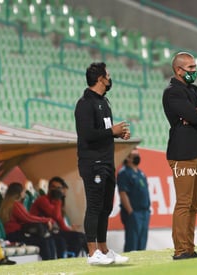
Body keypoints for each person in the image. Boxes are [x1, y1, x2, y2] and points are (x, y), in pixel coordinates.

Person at [162, 52, 197, 260]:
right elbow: (195, 115)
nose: (195, 72)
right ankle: (180, 250)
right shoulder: (172, 93)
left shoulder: (193, 90)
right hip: (182, 153)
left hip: (196, 152)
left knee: (194, 203)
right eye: (191, 68)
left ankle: (189, 247)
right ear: (178, 70)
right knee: (184, 203)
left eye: (195, 67)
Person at [74, 62, 130, 265]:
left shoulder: (104, 102)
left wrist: (118, 134)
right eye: (108, 74)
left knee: (106, 206)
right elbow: (87, 135)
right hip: (92, 163)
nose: (110, 77)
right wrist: (111, 132)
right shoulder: (85, 104)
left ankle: (104, 249)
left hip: (107, 161)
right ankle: (92, 253)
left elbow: (103, 133)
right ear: (100, 79)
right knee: (95, 205)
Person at [0, 182, 56, 260]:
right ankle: (50, 267)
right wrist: (47, 220)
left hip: (13, 235)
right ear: (19, 193)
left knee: (48, 239)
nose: (25, 193)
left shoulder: (8, 203)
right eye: (23, 191)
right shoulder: (15, 204)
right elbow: (28, 218)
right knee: (44, 241)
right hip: (15, 235)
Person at [30, 177, 85, 257]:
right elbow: (55, 216)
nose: (56, 190)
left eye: (58, 188)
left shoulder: (55, 202)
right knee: (61, 241)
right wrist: (58, 199)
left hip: (53, 231)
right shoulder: (43, 200)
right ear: (49, 188)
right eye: (53, 187)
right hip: (42, 232)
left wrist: (69, 231)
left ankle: (72, 260)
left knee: (81, 237)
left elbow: (60, 221)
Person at [117, 148, 151, 252]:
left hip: (144, 212)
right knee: (132, 243)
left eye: (138, 155)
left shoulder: (141, 173)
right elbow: (123, 193)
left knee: (142, 243)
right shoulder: (124, 173)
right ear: (127, 158)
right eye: (134, 155)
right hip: (134, 212)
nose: (137, 157)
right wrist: (130, 212)